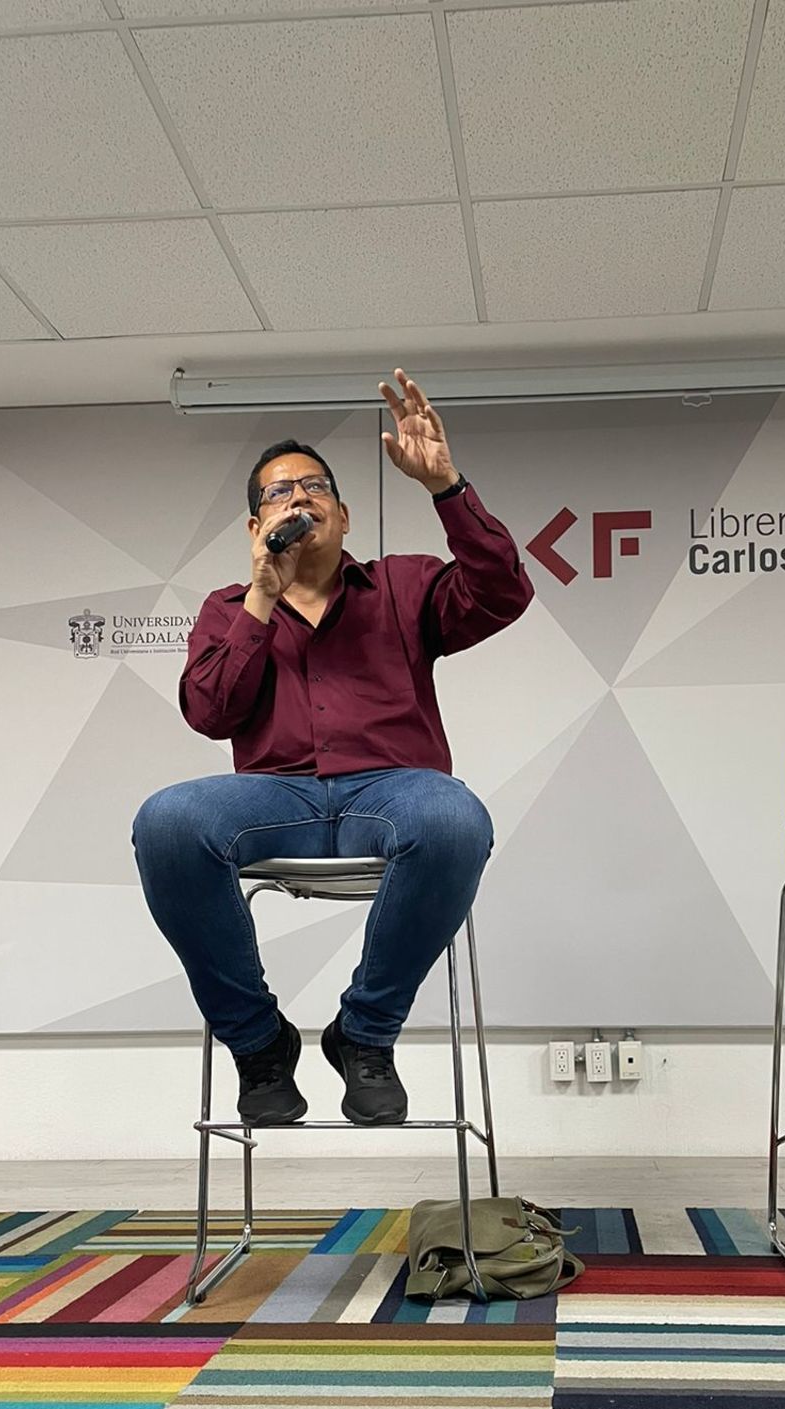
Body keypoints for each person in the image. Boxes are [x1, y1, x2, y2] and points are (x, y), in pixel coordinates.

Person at [133, 370, 533, 1128]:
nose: (298, 500)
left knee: (454, 817)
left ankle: (365, 1034)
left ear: (344, 516)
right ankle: (259, 1044)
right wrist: (261, 598)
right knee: (167, 822)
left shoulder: (404, 586)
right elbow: (209, 713)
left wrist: (445, 487)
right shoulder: (229, 608)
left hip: (390, 792)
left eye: (314, 487)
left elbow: (503, 593)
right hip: (275, 798)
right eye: (279, 493)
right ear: (256, 526)